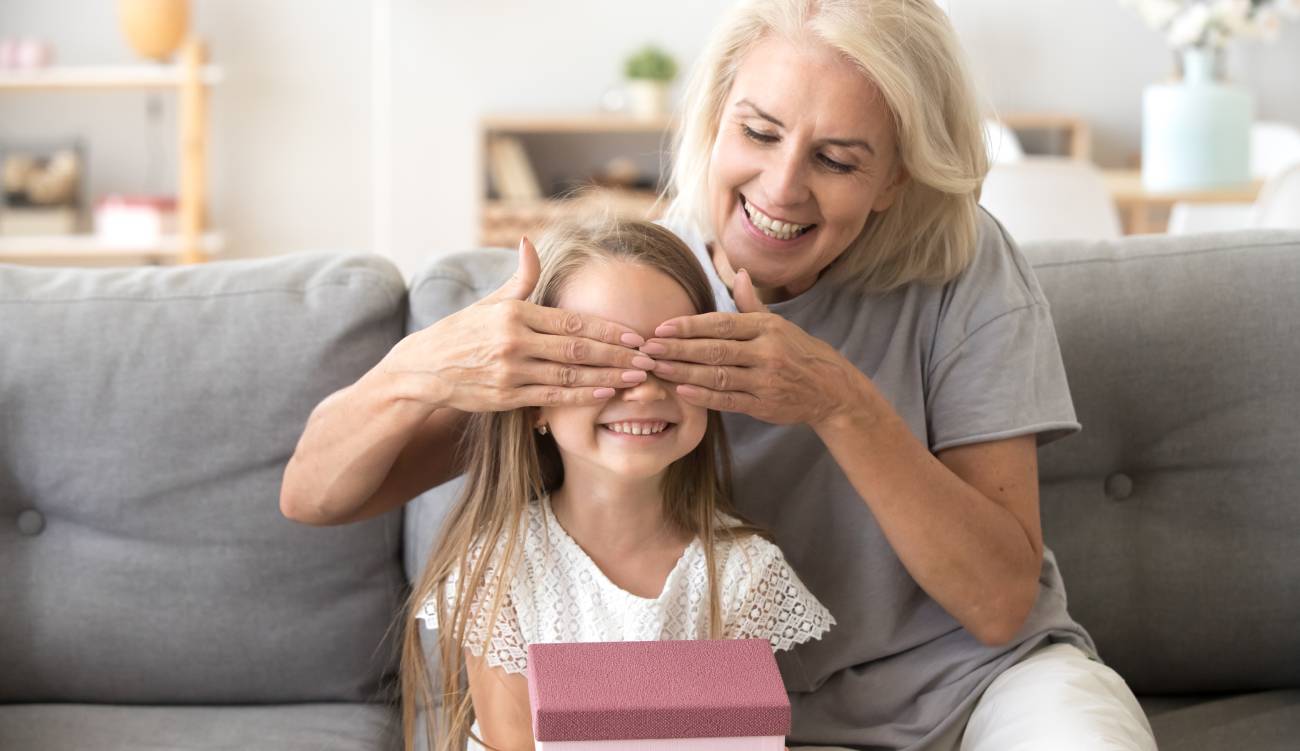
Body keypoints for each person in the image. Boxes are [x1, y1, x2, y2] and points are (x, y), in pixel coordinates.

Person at [281, 0, 1158, 748]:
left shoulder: (966, 267)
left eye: (838, 158)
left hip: (979, 684)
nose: (781, 186)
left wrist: (838, 399)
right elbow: (315, 494)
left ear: (895, 177)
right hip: (718, 707)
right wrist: (422, 366)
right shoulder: (637, 278)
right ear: (715, 118)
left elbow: (1002, 602)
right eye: (759, 131)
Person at [400, 219, 834, 751]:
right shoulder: (499, 568)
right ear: (535, 397)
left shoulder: (743, 572)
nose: (644, 391)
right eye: (601, 362)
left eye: (672, 360)